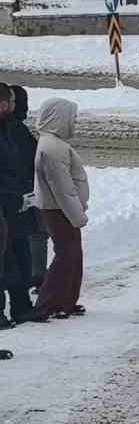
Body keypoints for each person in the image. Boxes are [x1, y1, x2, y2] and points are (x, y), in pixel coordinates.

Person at [29, 98, 88, 322]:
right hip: (59, 209)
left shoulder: (54, 144)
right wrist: (77, 215)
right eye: (71, 117)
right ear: (58, 118)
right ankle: (47, 304)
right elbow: (62, 188)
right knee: (66, 256)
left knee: (72, 255)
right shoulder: (52, 148)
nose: (74, 121)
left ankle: (65, 301)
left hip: (63, 209)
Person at [0, 84, 37, 327]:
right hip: (7, 203)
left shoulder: (12, 127)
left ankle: (22, 305)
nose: (15, 107)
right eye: (12, 102)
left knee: (20, 258)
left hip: (19, 204)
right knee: (6, 261)